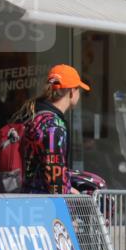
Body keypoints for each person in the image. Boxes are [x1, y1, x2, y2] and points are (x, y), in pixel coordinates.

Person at [13, 64, 89, 194]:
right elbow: (55, 178)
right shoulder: (54, 126)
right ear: (71, 92)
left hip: (26, 196)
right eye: (78, 90)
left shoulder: (34, 115)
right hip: (44, 205)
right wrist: (70, 194)